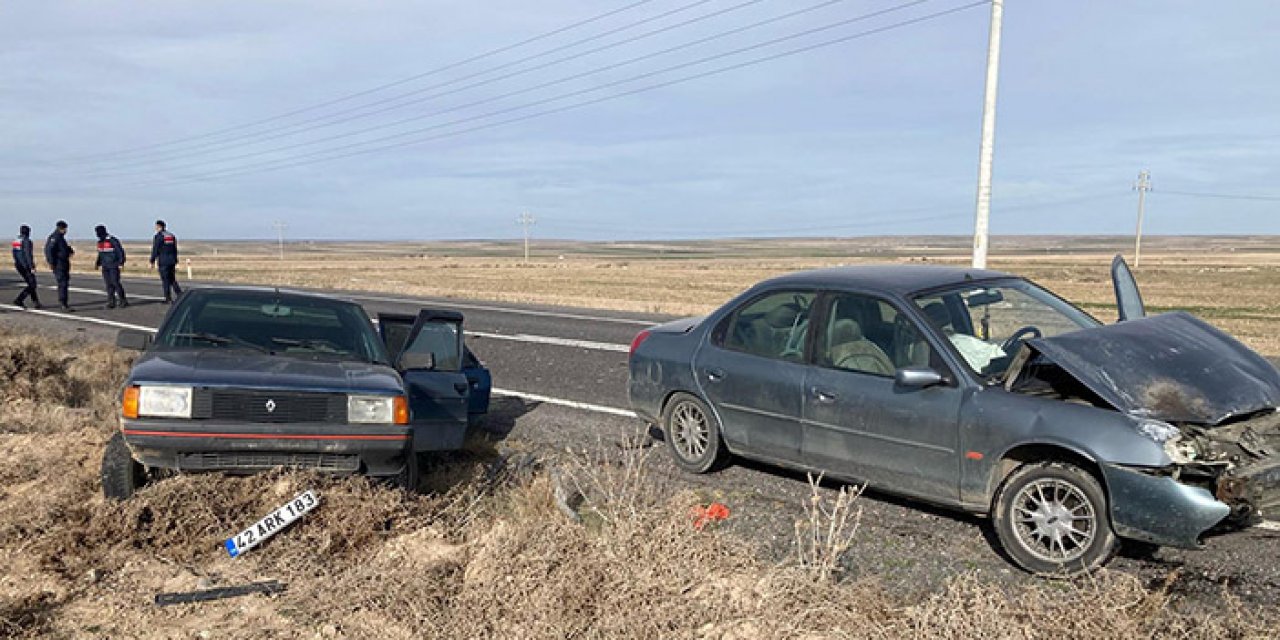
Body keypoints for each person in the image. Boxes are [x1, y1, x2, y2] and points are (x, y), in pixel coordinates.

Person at [93, 224, 129, 309]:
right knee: (108, 284)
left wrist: (121, 263)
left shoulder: (112, 240)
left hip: (113, 265)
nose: (97, 234)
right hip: (105, 266)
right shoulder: (100, 242)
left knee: (115, 282)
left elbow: (120, 251)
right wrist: (97, 263)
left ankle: (123, 300)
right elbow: (101, 254)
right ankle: (111, 301)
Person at [44, 220, 75, 312]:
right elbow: (49, 250)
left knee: (65, 283)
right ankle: (63, 304)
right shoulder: (55, 237)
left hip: (64, 263)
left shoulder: (61, 238)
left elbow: (62, 249)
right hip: (59, 264)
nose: (66, 231)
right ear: (61, 228)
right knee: (62, 283)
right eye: (65, 229)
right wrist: (51, 263)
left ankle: (64, 303)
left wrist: (69, 250)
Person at [149, 220, 182, 303]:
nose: (155, 228)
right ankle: (180, 295)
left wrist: (152, 260)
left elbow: (155, 249)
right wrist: (176, 260)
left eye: (156, 226)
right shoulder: (171, 236)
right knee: (172, 279)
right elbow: (175, 249)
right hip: (172, 261)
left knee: (165, 280)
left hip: (163, 261)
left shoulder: (159, 236)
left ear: (159, 226)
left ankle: (168, 298)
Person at [11, 225, 41, 309]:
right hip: (25, 266)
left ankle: (36, 302)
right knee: (32, 284)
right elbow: (28, 255)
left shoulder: (16, 241)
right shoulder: (27, 241)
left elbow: (14, 253)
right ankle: (19, 299)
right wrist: (31, 267)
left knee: (30, 283)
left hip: (18, 264)